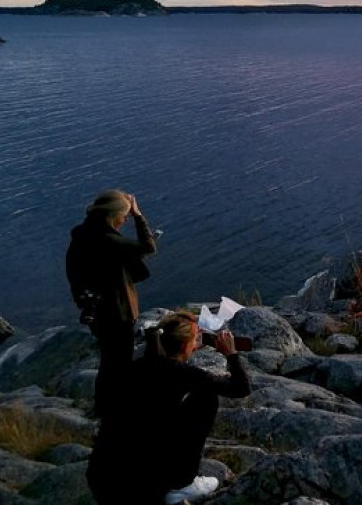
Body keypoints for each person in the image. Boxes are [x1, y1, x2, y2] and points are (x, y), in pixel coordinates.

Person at [86, 310, 252, 505]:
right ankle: (181, 486)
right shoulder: (186, 374)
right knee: (206, 398)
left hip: (103, 480)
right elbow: (241, 388)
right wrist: (231, 355)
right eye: (196, 338)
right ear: (185, 345)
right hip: (143, 489)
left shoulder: (133, 368)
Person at [66, 189, 157, 418]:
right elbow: (148, 247)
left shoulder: (82, 236)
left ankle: (104, 408)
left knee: (108, 363)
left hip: (95, 310)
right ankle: (116, 412)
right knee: (120, 364)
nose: (125, 220)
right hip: (117, 312)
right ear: (112, 216)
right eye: (124, 216)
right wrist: (139, 216)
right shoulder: (109, 240)